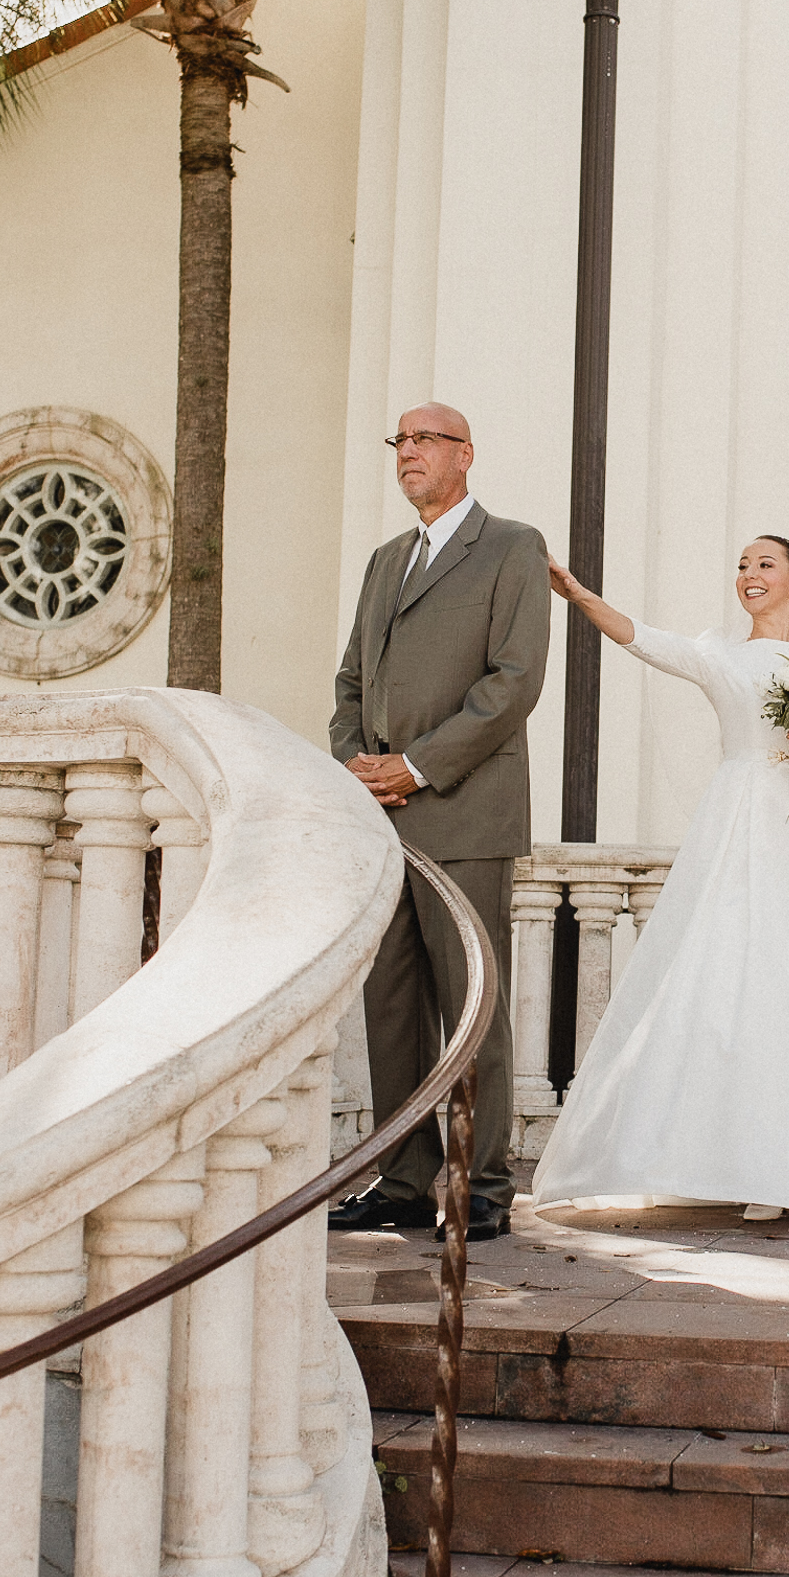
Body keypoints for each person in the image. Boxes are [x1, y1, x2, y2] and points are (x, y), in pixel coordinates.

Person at [532, 537, 789, 1226]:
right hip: (733, 825)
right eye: (741, 566)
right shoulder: (717, 653)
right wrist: (576, 593)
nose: (749, 575)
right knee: (719, 974)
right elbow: (643, 639)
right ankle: (723, 1156)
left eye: (764, 565)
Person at [328, 403, 550, 1241]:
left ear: (465, 454)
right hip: (381, 819)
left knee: (469, 1005)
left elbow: (513, 682)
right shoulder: (387, 561)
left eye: (423, 441)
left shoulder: (511, 546)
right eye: (399, 443)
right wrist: (360, 765)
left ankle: (481, 1182)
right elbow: (351, 680)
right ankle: (404, 1179)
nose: (406, 454)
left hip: (464, 814)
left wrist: (416, 765)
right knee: (390, 1004)